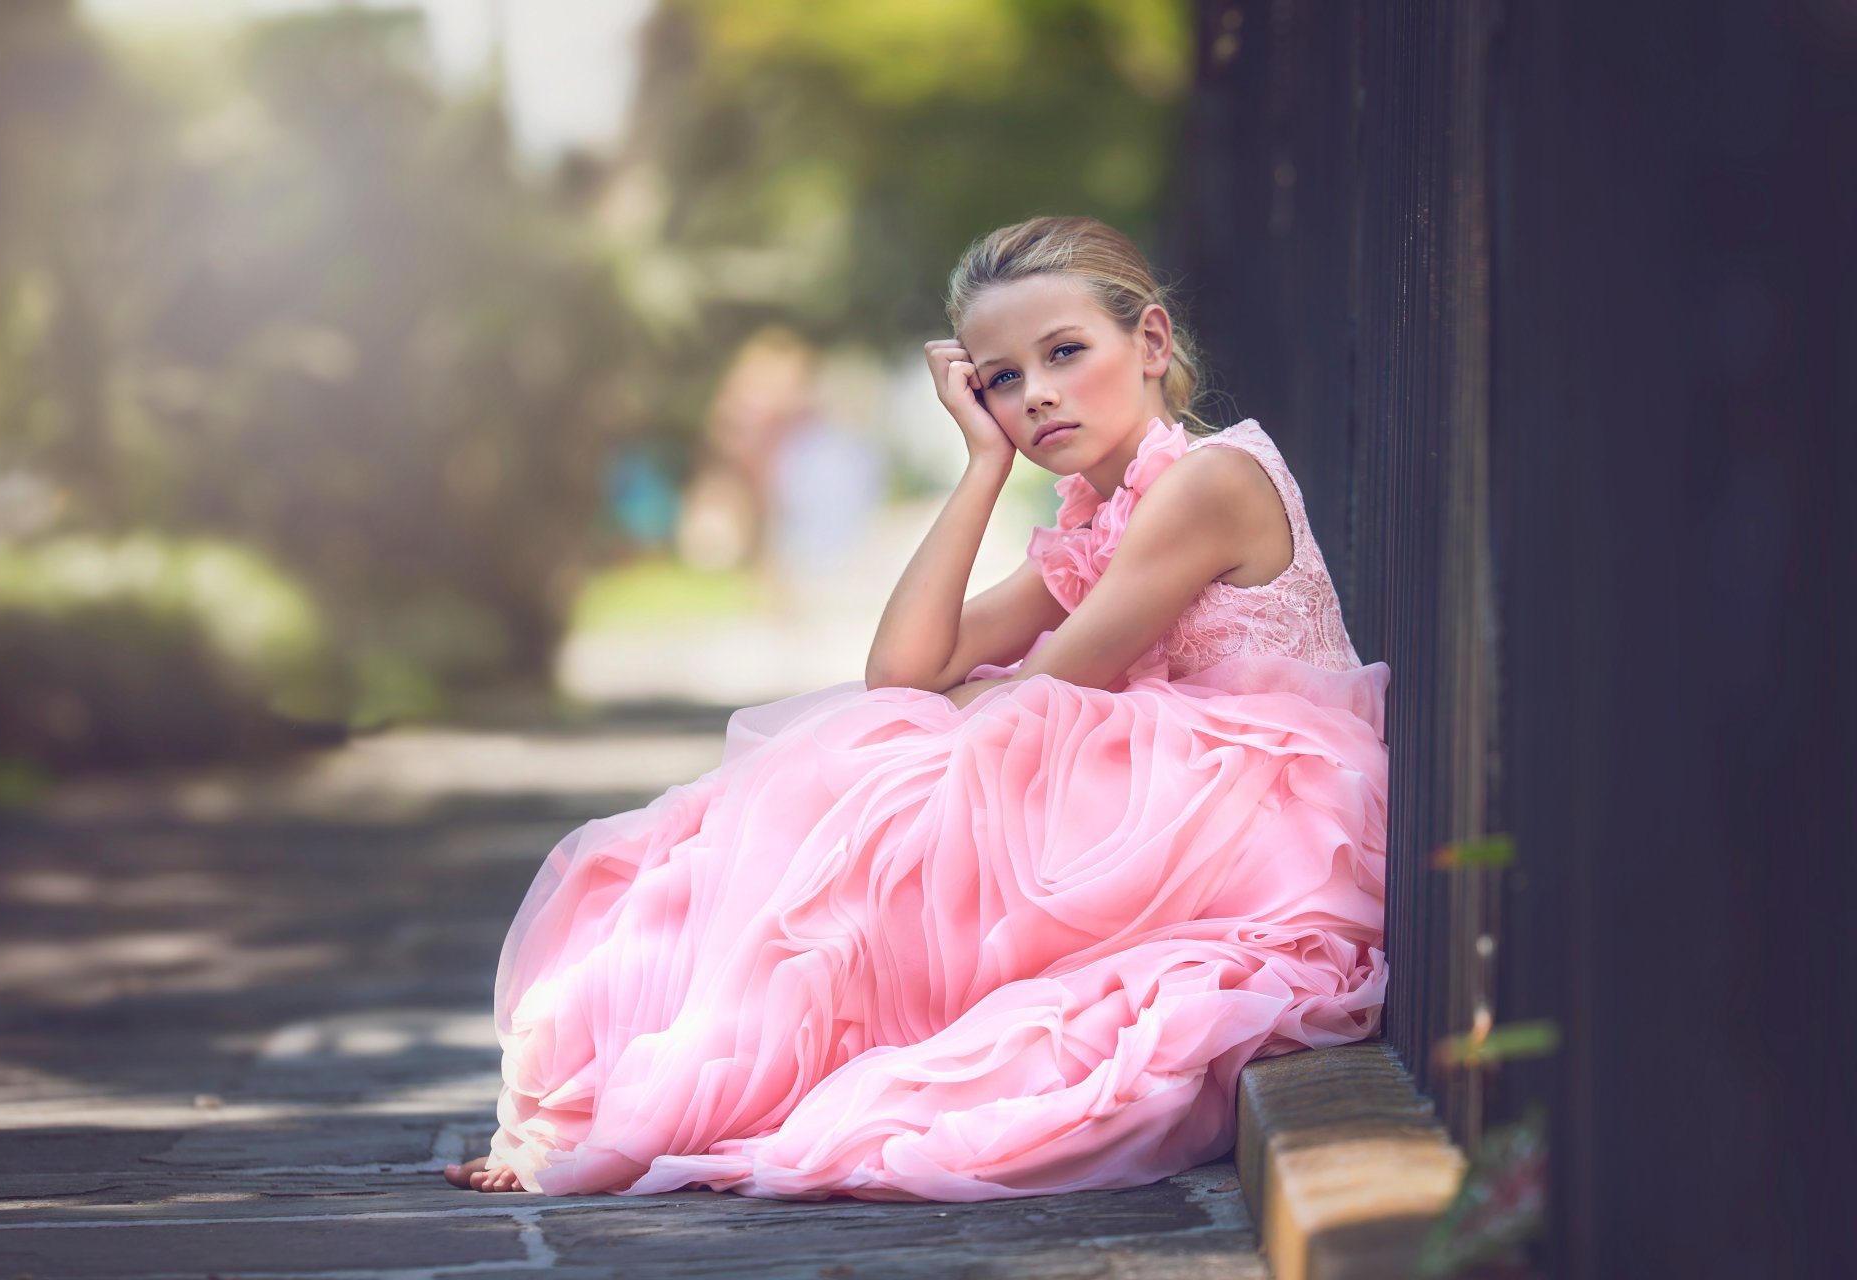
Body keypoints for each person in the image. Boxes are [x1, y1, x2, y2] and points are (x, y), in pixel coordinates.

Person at [445, 214, 1390, 1199]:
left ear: (1150, 342)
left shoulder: (1207, 483)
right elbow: (907, 664)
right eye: (1003, 379)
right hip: (1187, 795)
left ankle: (711, 1075)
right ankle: (673, 1074)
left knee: (884, 784)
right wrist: (982, 466)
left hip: (1271, 813)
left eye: (1065, 352)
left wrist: (973, 697)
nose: (1039, 395)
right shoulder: (1102, 513)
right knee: (874, 762)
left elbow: (1044, 690)